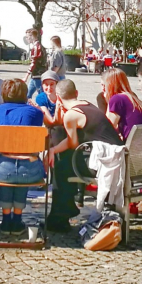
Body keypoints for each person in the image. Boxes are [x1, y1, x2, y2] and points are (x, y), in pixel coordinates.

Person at [45, 79, 123, 232]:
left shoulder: (72, 115)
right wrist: (54, 150)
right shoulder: (87, 105)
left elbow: (73, 144)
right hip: (116, 158)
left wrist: (52, 151)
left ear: (59, 98)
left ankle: (60, 215)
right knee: (62, 155)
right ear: (76, 94)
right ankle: (64, 211)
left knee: (61, 165)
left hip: (106, 164)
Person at [0, 79, 45, 235]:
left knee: (5, 166)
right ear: (25, 94)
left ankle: (5, 219)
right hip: (28, 169)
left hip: (0, 169)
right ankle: (17, 220)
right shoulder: (36, 113)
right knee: (23, 166)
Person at [102, 68, 142, 141]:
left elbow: (107, 128)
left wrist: (108, 100)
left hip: (131, 147)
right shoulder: (133, 98)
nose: (102, 88)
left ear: (110, 84)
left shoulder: (117, 99)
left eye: (103, 85)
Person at [25, 29, 47, 99]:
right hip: (35, 75)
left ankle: (45, 107)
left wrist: (26, 76)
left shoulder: (36, 47)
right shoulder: (39, 46)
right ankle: (26, 107)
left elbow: (34, 62)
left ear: (32, 36)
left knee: (41, 94)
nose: (27, 38)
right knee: (28, 94)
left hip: (38, 74)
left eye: (27, 36)